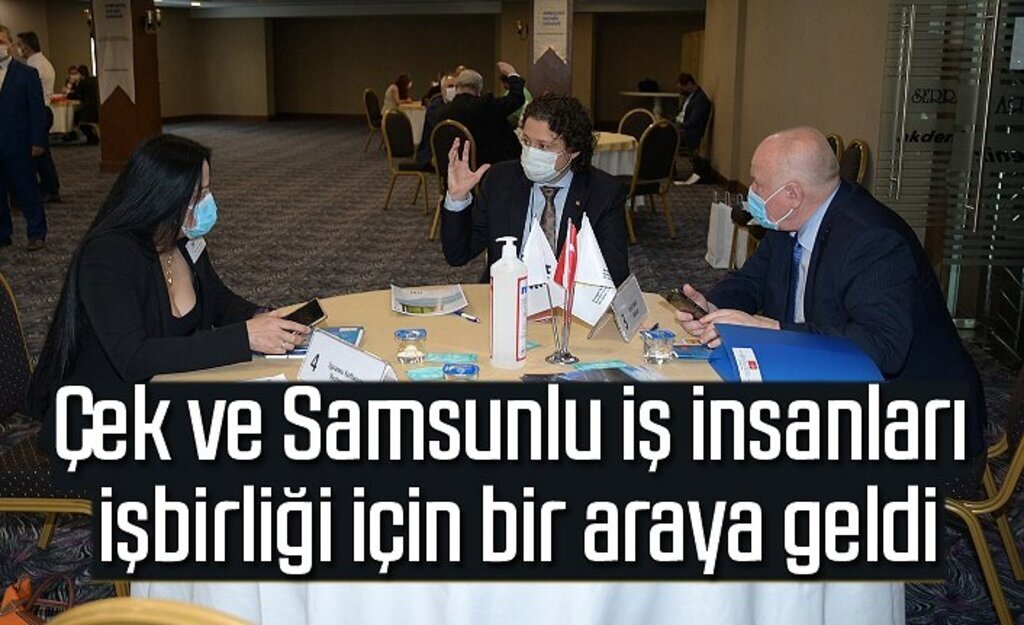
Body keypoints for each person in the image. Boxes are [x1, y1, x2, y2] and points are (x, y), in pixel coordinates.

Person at [676, 127, 987, 457]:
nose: (750, 191)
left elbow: (883, 347)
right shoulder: (789, 221)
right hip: (825, 378)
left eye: (758, 184)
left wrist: (774, 329)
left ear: (793, 194)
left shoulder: (873, 241)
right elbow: (751, 281)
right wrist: (712, 306)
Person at [25, 134, 312, 419]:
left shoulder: (183, 239)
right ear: (164, 197)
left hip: (169, 392)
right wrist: (244, 337)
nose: (208, 203)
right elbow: (134, 357)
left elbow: (217, 299)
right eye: (199, 195)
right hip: (105, 413)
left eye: (208, 191)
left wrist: (260, 316)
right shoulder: (107, 256)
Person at [441, 93, 629, 287]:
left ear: (574, 150)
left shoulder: (603, 193)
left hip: (572, 299)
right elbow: (457, 254)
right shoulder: (501, 180)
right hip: (507, 295)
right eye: (527, 142)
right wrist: (457, 199)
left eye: (544, 146)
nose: (532, 152)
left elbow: (615, 274)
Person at [0, 24, 48, 251]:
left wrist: (38, 140)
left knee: (27, 189)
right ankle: (3, 233)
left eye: (1, 42)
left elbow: (37, 110)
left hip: (19, 142)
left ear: (11, 45)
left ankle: (36, 233)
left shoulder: (26, 74)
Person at [440, 63, 525, 166]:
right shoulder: (486, 105)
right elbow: (516, 98)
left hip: (455, 167)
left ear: (457, 87)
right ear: (479, 89)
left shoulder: (443, 112)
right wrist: (512, 73)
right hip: (490, 167)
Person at [16, 31, 61, 203]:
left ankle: (49, 189)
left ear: (27, 46)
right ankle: (50, 187)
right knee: (43, 154)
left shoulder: (33, 66)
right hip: (44, 109)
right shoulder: (42, 62)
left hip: (38, 111)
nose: (18, 49)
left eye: (19, 45)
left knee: (38, 154)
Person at [674, 72, 711, 185]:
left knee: (666, 136)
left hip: (691, 133)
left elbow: (693, 121)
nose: (681, 91)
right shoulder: (690, 97)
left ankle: (669, 170)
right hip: (683, 128)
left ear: (690, 84)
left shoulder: (700, 99)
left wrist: (678, 126)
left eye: (682, 88)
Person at [416, 73, 457, 169]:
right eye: (450, 86)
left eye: (456, 87)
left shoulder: (457, 106)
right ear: (442, 89)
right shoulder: (435, 107)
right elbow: (444, 128)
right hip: (431, 153)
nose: (453, 90)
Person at [67, 64, 99, 144]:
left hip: (88, 110)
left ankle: (85, 136)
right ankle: (92, 137)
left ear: (80, 74)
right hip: (97, 108)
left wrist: (68, 94)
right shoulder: (94, 80)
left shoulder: (83, 82)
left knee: (76, 115)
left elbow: (76, 95)